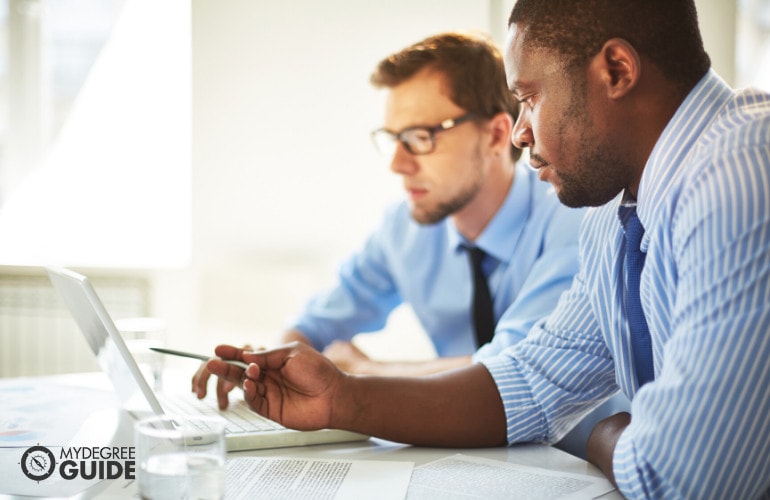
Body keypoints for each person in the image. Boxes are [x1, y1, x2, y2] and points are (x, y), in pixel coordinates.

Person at [207, 0, 770, 497]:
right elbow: (532, 380)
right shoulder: (614, 210)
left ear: (617, 70)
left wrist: (606, 433)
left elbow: (689, 477)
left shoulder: (740, 173)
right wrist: (343, 398)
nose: (523, 132)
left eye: (530, 97)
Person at [193, 33, 584, 398]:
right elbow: (316, 324)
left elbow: (512, 369)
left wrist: (363, 372)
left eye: (419, 138)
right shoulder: (405, 227)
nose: (398, 164)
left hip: (572, 458)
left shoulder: (571, 219)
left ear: (497, 135)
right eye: (394, 139)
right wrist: (265, 365)